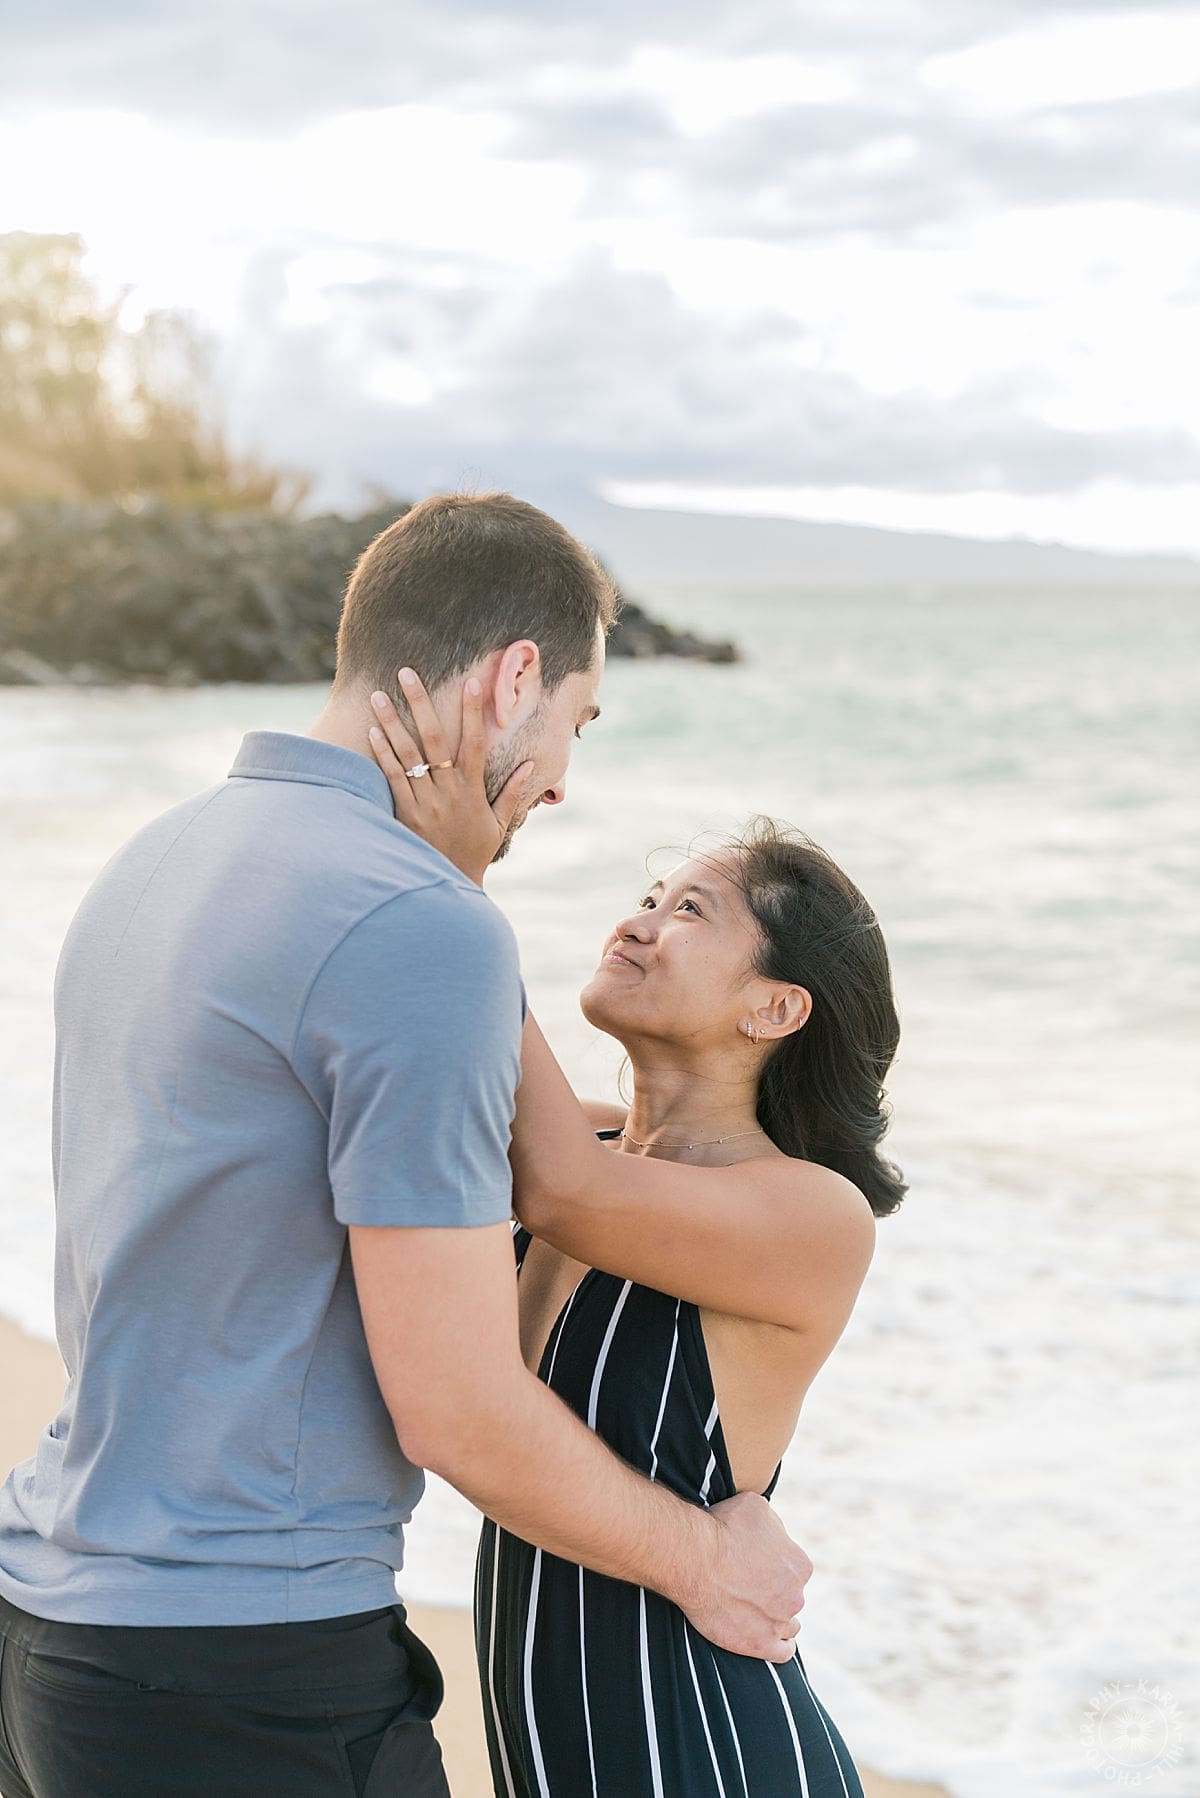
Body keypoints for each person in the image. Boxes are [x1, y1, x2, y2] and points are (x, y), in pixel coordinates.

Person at [0, 492, 812, 1798]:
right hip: (242, 1678)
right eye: (575, 727)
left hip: (56, 1632)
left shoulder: (154, 861)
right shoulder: (412, 929)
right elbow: (455, 1402)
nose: (561, 779)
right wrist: (706, 1560)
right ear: (517, 680)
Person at [366, 679, 906, 1797]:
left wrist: (451, 881)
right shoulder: (590, 1145)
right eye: (650, 894)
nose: (638, 920)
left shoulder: (809, 1214)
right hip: (558, 1742)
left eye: (691, 912)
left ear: (776, 1008)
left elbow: (562, 1190)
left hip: (703, 1744)